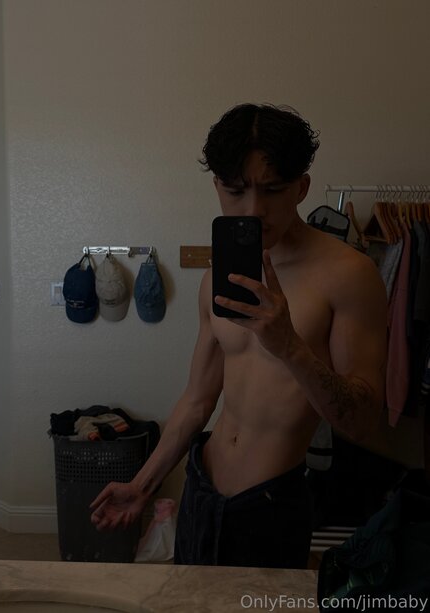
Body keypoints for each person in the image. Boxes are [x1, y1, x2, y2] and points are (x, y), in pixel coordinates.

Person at [90, 103, 387, 568]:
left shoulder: (349, 275)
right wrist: (142, 484)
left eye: (273, 190)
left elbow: (363, 421)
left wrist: (290, 347)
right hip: (201, 489)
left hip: (269, 506)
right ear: (217, 187)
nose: (253, 210)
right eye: (235, 191)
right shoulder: (218, 278)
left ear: (302, 187)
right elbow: (197, 401)